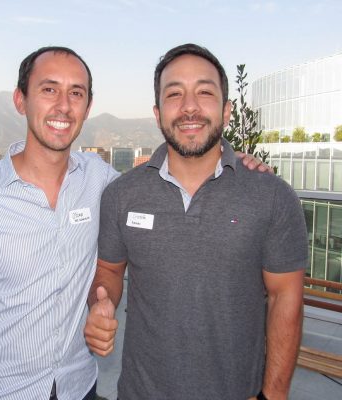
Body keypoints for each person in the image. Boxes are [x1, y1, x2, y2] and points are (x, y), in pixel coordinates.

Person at [84, 43, 308, 400]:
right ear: (157, 113)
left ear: (227, 110)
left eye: (204, 92)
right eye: (175, 94)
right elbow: (109, 270)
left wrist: (273, 395)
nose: (189, 106)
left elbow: (286, 297)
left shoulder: (272, 196)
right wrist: (101, 302)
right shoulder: (122, 194)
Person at [0, 46, 120, 400]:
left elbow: (153, 187)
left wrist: (220, 154)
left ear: (87, 107)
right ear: (20, 100)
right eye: (49, 89)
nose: (64, 106)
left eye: (76, 93)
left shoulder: (99, 179)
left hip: (78, 387)